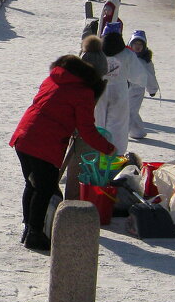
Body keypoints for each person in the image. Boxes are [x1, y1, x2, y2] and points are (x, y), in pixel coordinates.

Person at [10, 54, 115, 251]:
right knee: (45, 187)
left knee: (32, 184)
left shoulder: (52, 79)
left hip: (24, 136)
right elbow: (87, 130)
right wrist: (108, 148)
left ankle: (29, 227)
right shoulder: (83, 92)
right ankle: (34, 233)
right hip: (44, 141)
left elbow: (52, 107)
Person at [95, 21, 146, 154]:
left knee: (98, 121)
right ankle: (115, 154)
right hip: (119, 89)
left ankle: (97, 151)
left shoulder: (97, 52)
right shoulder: (127, 54)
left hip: (100, 89)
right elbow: (138, 75)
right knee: (117, 124)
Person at [127, 30, 160, 139]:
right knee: (129, 111)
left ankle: (122, 134)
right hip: (125, 89)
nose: (137, 47)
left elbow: (151, 77)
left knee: (130, 112)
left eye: (140, 44)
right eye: (135, 44)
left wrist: (152, 89)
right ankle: (138, 131)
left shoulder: (146, 62)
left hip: (137, 90)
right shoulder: (126, 57)